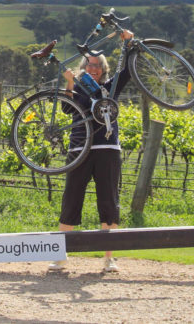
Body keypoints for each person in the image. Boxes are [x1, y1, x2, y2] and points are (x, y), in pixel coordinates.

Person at [48, 29, 133, 274]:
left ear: (103, 69)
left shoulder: (110, 86)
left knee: (109, 200)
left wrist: (127, 43)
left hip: (107, 148)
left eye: (97, 65)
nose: (93, 68)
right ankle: (59, 256)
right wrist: (70, 81)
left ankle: (109, 258)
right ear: (83, 67)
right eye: (89, 64)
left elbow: (126, 71)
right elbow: (66, 109)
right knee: (71, 198)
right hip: (79, 148)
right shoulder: (78, 85)